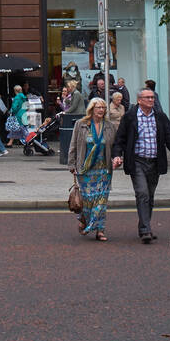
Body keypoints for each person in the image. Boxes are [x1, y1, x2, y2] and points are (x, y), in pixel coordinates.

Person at [111, 87, 170, 243]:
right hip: (137, 161)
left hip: (155, 161)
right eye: (148, 97)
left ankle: (145, 225)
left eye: (152, 97)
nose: (151, 100)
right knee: (142, 193)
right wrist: (116, 155)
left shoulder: (160, 116)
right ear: (139, 100)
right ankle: (145, 230)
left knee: (149, 196)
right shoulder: (130, 117)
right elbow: (120, 139)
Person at [69, 97, 118, 241]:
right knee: (88, 200)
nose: (101, 110)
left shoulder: (109, 126)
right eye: (98, 108)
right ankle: (84, 220)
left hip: (104, 170)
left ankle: (100, 230)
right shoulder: (81, 124)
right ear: (92, 109)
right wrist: (71, 164)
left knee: (101, 201)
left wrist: (117, 158)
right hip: (86, 169)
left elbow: (114, 147)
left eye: (103, 108)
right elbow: (73, 145)